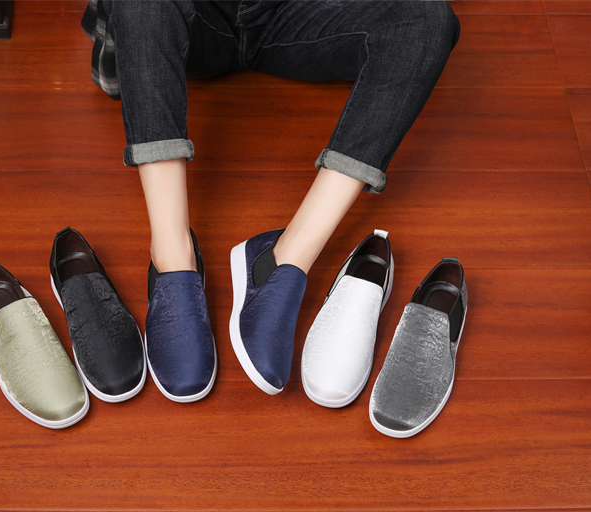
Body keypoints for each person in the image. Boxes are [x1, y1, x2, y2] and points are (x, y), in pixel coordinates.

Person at [81, 0, 460, 402]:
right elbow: (116, 64)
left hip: (300, 14)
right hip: (199, 22)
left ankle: (289, 256)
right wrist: (131, 55)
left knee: (428, 19)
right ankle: (172, 254)